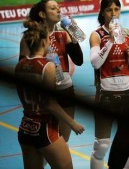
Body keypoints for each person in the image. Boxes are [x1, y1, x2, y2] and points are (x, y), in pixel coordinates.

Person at [15, 19, 84, 169]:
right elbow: (50, 103)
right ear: (45, 41)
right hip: (45, 127)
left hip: (26, 126)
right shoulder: (47, 67)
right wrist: (72, 123)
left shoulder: (19, 66)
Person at [19, 0, 84, 144]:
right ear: (42, 14)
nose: (59, 10)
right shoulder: (31, 37)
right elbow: (22, 68)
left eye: (59, 7)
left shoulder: (63, 33)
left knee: (62, 142)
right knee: (46, 142)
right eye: (53, 8)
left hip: (65, 90)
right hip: (42, 94)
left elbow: (79, 61)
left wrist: (74, 37)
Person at [89, 0, 129, 169]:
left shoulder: (128, 33)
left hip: (128, 92)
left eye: (116, 9)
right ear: (103, 12)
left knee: (127, 143)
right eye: (109, 10)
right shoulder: (97, 35)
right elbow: (95, 62)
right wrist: (110, 40)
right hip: (106, 95)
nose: (113, 13)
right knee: (101, 145)